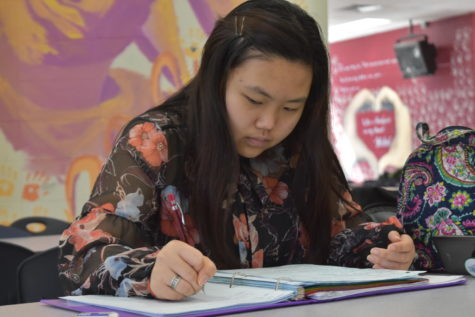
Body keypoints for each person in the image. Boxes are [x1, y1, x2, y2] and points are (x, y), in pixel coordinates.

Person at [58, 0, 416, 301]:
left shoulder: (300, 146)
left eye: (291, 108)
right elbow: (82, 250)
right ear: (216, 80)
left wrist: (382, 248)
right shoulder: (156, 141)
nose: (269, 123)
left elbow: (340, 238)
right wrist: (149, 271)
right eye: (254, 100)